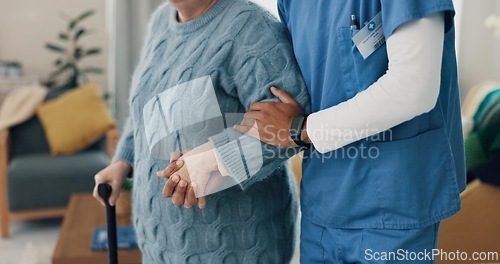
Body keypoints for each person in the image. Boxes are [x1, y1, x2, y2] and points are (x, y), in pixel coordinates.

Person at [234, 0, 466, 263]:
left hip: (394, 208)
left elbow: (414, 88)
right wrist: (201, 165)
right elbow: (284, 107)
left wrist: (303, 129)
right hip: (322, 207)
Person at [93, 0, 310, 263]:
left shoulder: (251, 28)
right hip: (160, 244)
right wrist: (123, 160)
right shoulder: (162, 19)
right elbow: (148, 107)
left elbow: (292, 129)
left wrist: (215, 161)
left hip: (234, 247)